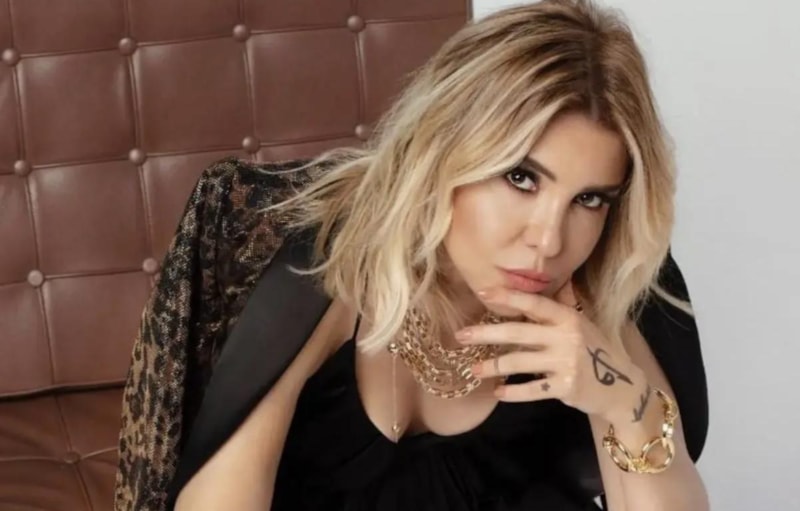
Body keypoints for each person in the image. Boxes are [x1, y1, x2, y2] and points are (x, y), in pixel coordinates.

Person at [113, 0, 710, 509]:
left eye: (588, 199)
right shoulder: (323, 270)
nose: (549, 241)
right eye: (520, 178)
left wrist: (625, 403)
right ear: (442, 151)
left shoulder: (604, 277)